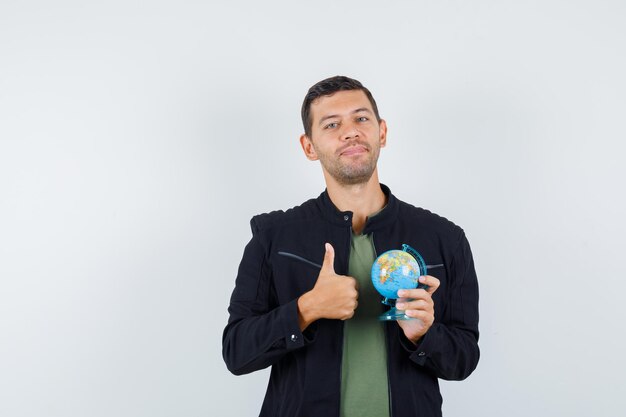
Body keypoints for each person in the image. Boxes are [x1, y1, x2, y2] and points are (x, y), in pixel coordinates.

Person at [222, 76, 479, 417]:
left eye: (361, 118)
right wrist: (307, 309)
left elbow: (463, 360)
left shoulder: (444, 238)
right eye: (331, 124)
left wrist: (424, 335)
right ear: (309, 146)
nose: (350, 131)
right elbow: (237, 353)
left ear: (382, 132)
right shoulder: (273, 236)